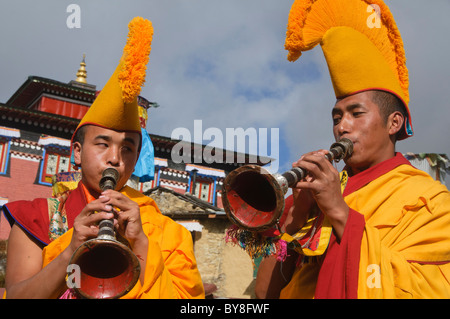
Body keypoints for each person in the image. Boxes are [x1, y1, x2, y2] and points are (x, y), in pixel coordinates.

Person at [253, 0, 450, 298]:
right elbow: (264, 294)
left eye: (356, 114)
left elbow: (426, 289)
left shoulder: (430, 201)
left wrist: (340, 212)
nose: (342, 127)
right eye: (336, 117)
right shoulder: (313, 199)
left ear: (393, 122)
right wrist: (297, 215)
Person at [2, 17, 205, 299]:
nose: (114, 159)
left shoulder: (166, 232)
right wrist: (72, 250)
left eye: (127, 149)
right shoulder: (38, 217)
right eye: (102, 144)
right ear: (76, 152)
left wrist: (140, 244)